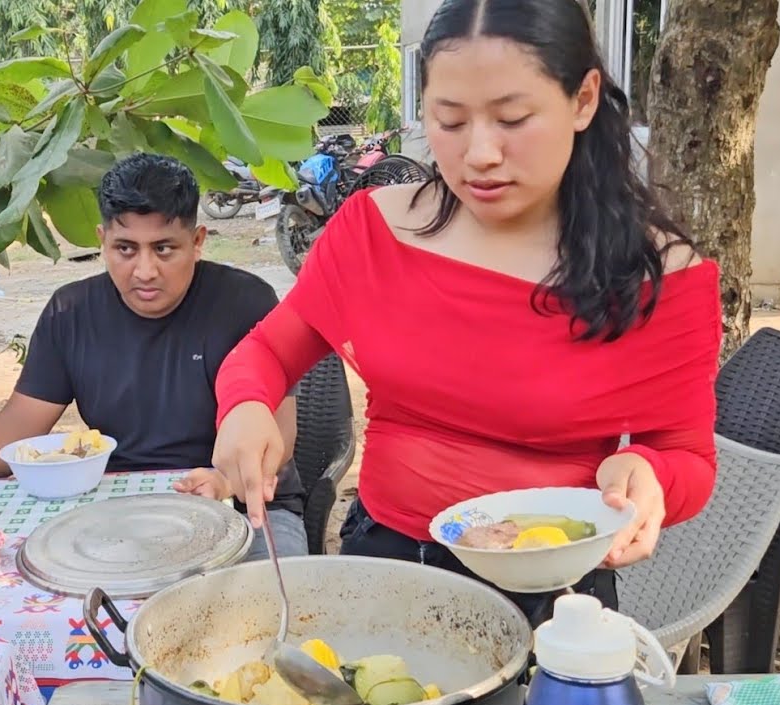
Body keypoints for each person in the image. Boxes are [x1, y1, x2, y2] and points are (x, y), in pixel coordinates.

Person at [210, 0, 721, 622]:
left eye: (513, 119)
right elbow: (265, 352)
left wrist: (646, 471)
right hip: (387, 558)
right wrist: (245, 407)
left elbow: (688, 458)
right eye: (449, 122)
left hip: (551, 585)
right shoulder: (376, 231)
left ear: (584, 100)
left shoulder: (660, 273)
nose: (479, 154)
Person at [0, 153, 309, 561]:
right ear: (102, 240)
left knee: (268, 612)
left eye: (163, 249)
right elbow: (21, 421)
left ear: (197, 243)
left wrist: (226, 481)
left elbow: (278, 434)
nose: (144, 270)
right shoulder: (71, 313)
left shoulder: (247, 302)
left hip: (250, 504)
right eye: (125, 248)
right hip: (121, 504)